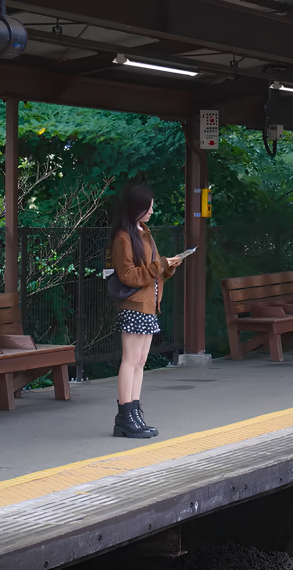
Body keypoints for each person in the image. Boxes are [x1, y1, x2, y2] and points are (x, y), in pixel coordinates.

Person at [109, 185, 181, 438]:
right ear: (136, 208)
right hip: (134, 305)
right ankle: (124, 416)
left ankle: (134, 412)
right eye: (148, 207)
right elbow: (128, 275)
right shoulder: (123, 237)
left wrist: (168, 266)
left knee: (140, 361)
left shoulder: (144, 232)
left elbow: (153, 268)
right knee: (130, 360)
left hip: (150, 304)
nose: (151, 211)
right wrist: (159, 266)